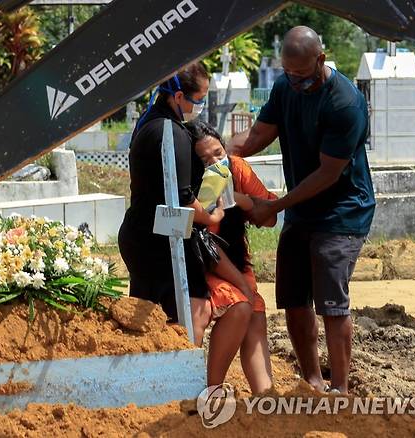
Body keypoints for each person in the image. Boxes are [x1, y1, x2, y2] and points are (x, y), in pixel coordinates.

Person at [228, 26, 376, 394]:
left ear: (320, 60)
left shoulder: (344, 102)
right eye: (288, 74)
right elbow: (259, 135)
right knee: (293, 297)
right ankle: (312, 379)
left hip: (341, 211)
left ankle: (340, 388)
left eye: (302, 75)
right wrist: (217, 151)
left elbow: (327, 174)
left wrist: (273, 206)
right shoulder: (285, 87)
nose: (295, 82)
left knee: (330, 301)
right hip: (301, 210)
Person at [118, 62, 250, 345]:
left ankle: (159, 380)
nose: (201, 106)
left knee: (157, 319)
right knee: (194, 314)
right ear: (178, 97)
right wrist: (213, 217)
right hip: (159, 241)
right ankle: (181, 379)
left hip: (147, 234)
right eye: (199, 100)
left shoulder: (152, 122)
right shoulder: (171, 133)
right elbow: (184, 199)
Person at [188, 120, 276, 394]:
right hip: (203, 266)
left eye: (218, 153)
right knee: (241, 304)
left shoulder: (237, 169)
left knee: (255, 312)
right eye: (205, 159)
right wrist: (242, 285)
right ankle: (211, 389)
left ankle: (265, 395)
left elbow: (270, 215)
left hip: (236, 259)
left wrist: (241, 199)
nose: (215, 163)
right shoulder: (190, 187)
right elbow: (206, 249)